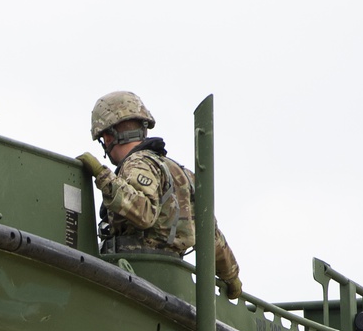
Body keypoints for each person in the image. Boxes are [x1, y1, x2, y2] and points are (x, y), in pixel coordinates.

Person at [81, 91, 242, 298]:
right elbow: (210, 234)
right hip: (173, 284)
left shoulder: (137, 163)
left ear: (108, 136)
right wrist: (231, 276)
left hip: (136, 279)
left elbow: (144, 212)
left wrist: (102, 175)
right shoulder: (184, 175)